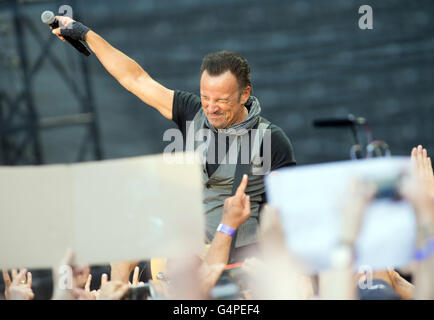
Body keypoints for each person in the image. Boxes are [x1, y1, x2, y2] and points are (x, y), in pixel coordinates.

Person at [50, 16, 296, 260]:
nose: (211, 107)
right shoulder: (192, 111)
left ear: (245, 95)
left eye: (221, 100)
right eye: (205, 97)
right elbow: (135, 79)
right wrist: (85, 34)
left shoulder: (270, 140)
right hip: (193, 257)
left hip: (244, 260)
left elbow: (289, 212)